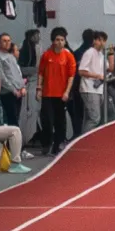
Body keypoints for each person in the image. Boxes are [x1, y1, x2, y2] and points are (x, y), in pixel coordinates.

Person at [37, 27, 76, 155]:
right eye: (57, 40)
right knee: (47, 120)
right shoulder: (46, 55)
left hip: (61, 94)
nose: (59, 42)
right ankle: (47, 142)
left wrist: (67, 92)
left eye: (62, 40)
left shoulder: (69, 56)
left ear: (65, 41)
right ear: (53, 41)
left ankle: (58, 144)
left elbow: (71, 76)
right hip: (48, 94)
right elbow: (41, 73)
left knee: (60, 120)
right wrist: (39, 88)